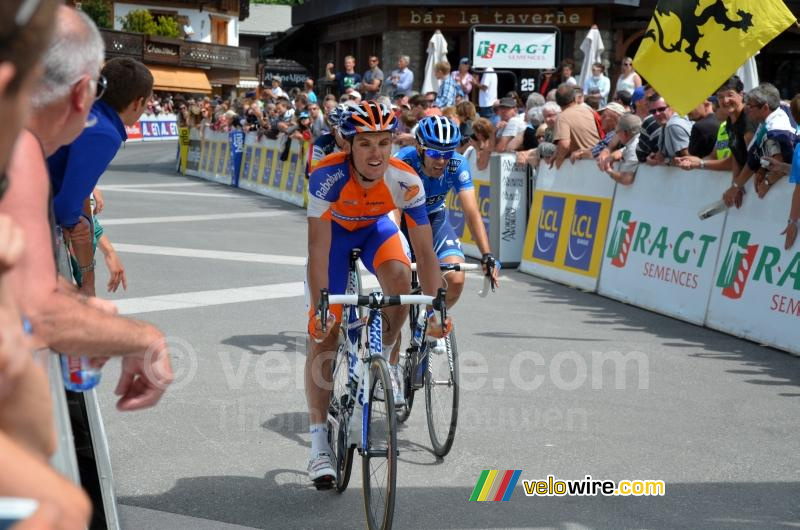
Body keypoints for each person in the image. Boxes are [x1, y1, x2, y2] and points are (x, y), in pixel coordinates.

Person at [304, 101, 449, 486]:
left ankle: (383, 355)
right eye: (366, 143)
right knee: (326, 336)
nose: (376, 153)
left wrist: (436, 308)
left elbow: (424, 250)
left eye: (384, 143)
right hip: (334, 240)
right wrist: (322, 306)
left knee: (402, 280)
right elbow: (317, 249)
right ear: (349, 145)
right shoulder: (326, 175)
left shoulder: (405, 180)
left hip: (374, 231)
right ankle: (319, 443)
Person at [48, 57, 153, 297]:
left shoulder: (85, 109)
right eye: (147, 102)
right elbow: (67, 208)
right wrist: (76, 223)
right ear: (137, 102)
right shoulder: (104, 132)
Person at [394, 115, 499, 350]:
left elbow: (471, 212)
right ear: (420, 148)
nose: (441, 161)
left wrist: (487, 254)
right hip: (403, 221)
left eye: (447, 153)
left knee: (456, 278)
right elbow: (395, 212)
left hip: (435, 219)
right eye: (434, 154)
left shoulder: (457, 164)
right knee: (398, 293)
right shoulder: (403, 161)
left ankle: (430, 318)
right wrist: (398, 248)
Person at [722, 83, 796, 208]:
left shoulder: (774, 130)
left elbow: (779, 164)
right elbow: (756, 154)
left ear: (765, 108)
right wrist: (761, 169)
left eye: (750, 106)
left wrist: (767, 182)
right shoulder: (780, 107)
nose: (746, 108)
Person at [552, 83, 602, 168]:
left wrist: (558, 162)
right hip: (597, 158)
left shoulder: (562, 117)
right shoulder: (588, 110)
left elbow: (564, 145)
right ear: (574, 98)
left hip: (584, 164)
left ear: (557, 102)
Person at [645, 93, 692, 165]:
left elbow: (688, 159)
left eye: (661, 109)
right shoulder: (667, 123)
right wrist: (655, 156)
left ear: (672, 107)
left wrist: (665, 160)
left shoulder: (673, 126)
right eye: (653, 111)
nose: (657, 114)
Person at [604, 113, 642, 185]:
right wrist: (613, 156)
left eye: (617, 132)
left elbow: (627, 179)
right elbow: (626, 149)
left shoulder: (633, 148)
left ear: (625, 133)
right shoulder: (638, 139)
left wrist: (609, 170)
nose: (617, 135)